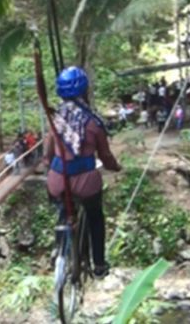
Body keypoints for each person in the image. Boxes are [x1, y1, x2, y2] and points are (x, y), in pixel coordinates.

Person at [42, 66, 121, 278]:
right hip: (86, 183)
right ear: (84, 90)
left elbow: (47, 153)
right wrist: (115, 167)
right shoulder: (93, 123)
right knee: (95, 217)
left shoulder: (55, 120)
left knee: (63, 207)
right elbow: (105, 156)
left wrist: (48, 166)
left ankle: (60, 246)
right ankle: (99, 264)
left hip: (57, 181)